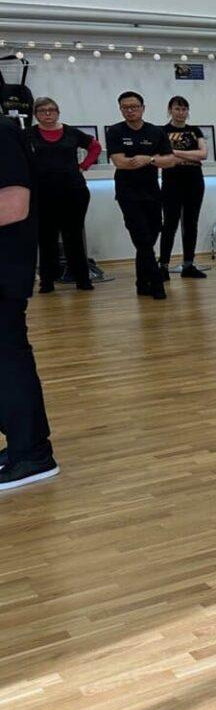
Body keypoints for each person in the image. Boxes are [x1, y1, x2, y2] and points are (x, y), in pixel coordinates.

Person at [0, 115, 57, 491]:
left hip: (4, 273)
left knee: (8, 362)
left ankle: (33, 453)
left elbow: (14, 205)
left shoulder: (2, 135)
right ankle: (23, 444)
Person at [23, 98, 98, 293]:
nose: (47, 114)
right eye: (42, 111)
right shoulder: (27, 135)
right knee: (46, 238)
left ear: (58, 112)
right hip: (42, 193)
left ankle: (82, 279)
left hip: (73, 192)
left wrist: (84, 166)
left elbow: (95, 147)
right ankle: (47, 281)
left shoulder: (72, 132)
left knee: (73, 236)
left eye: (51, 110)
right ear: (36, 114)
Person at [105, 91, 174, 299]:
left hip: (152, 192)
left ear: (143, 108)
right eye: (125, 107)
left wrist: (149, 160)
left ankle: (142, 283)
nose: (130, 110)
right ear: (120, 109)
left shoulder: (156, 131)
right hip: (128, 193)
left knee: (150, 236)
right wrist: (150, 159)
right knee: (142, 238)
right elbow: (120, 162)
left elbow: (170, 161)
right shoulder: (115, 131)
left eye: (134, 106)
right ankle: (157, 283)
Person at [159, 95, 207, 281]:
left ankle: (188, 264)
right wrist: (189, 155)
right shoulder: (162, 131)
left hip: (194, 181)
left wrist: (175, 153)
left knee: (191, 224)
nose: (181, 112)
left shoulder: (195, 130)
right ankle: (163, 265)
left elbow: (203, 154)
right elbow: (161, 158)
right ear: (170, 110)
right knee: (169, 224)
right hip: (171, 182)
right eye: (177, 109)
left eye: (184, 109)